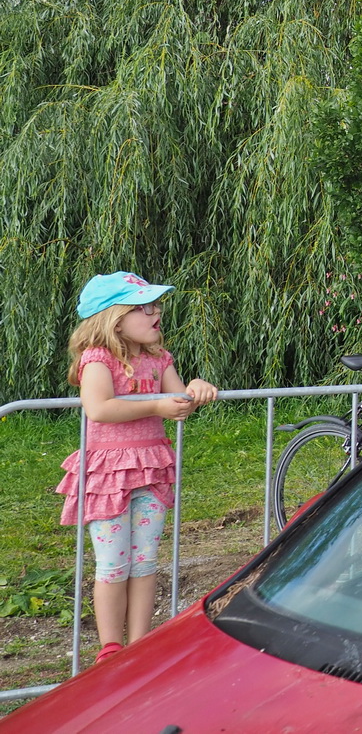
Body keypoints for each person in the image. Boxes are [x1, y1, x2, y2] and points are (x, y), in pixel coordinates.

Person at [55, 272, 218, 663]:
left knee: (145, 561)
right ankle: (111, 648)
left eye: (156, 304)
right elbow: (100, 408)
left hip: (151, 468)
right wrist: (157, 405)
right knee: (113, 564)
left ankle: (140, 644)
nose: (156, 311)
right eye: (143, 306)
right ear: (114, 318)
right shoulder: (98, 359)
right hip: (109, 475)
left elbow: (177, 400)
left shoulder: (159, 359)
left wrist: (194, 389)